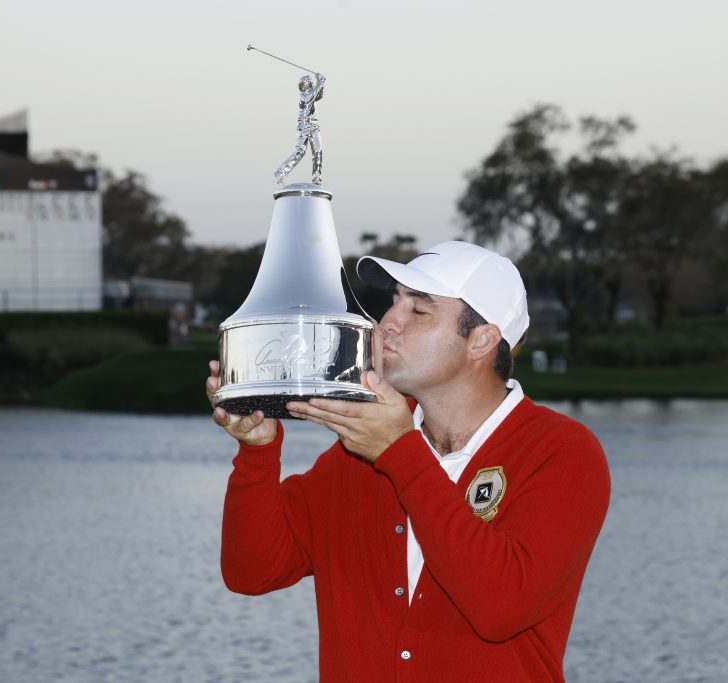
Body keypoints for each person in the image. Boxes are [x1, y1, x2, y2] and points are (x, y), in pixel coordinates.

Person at [206, 240, 610, 682]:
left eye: (419, 311)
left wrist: (399, 452)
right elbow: (252, 571)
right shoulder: (358, 455)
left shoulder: (562, 452)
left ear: (481, 340)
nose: (387, 323)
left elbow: (500, 607)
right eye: (394, 302)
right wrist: (258, 452)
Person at [274, 72, 326, 186]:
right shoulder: (304, 96)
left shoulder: (312, 92)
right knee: (300, 152)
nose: (308, 84)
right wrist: (320, 82)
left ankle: (317, 179)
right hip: (304, 127)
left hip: (314, 126)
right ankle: (280, 172)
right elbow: (312, 97)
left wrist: (322, 83)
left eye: (309, 82)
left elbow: (319, 95)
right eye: (307, 82)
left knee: (318, 151)